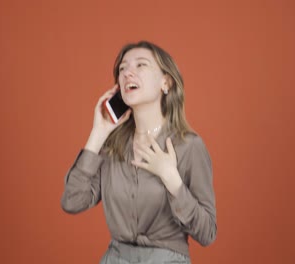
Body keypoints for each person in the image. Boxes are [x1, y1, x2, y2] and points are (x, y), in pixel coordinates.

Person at [61, 41, 217, 263]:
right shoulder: (111, 145)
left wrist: (172, 180)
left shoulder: (189, 146)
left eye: (140, 65)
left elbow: (207, 232)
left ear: (166, 82)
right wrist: (98, 133)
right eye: (123, 69)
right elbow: (72, 201)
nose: (127, 74)